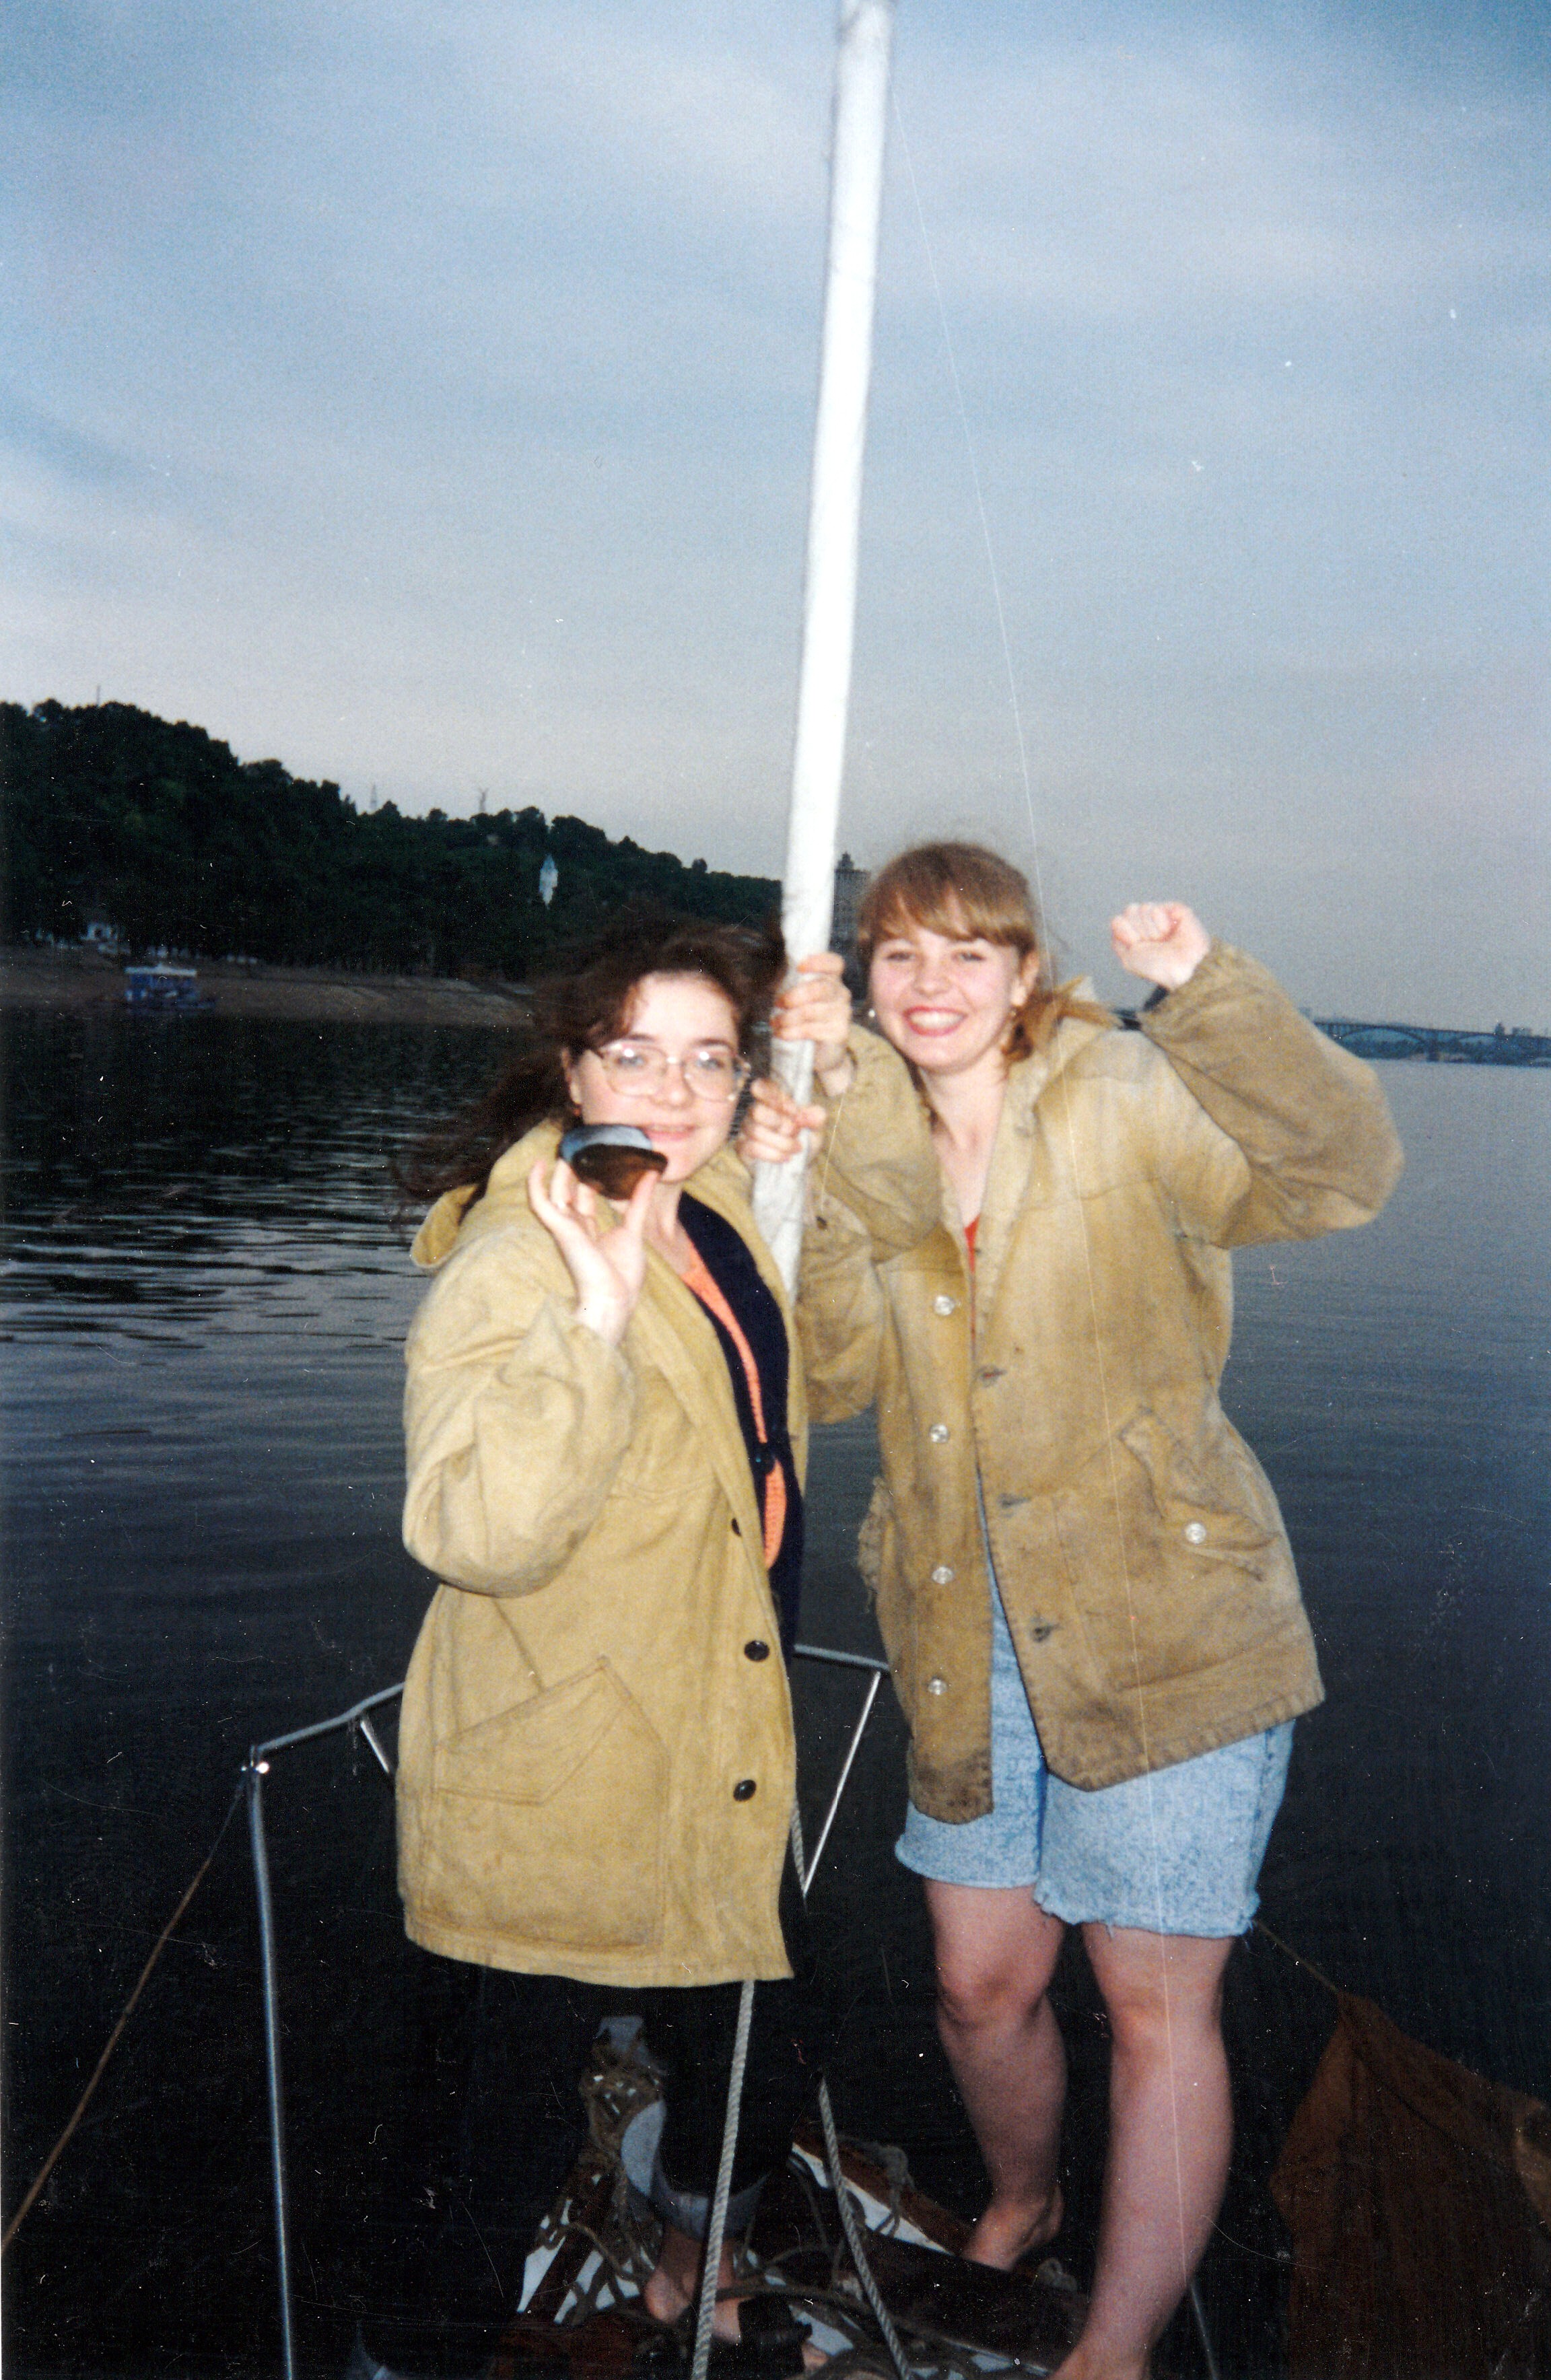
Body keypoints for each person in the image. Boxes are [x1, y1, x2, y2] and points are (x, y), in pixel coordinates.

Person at [745, 843, 1402, 2380]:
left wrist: (1207, 992)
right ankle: (1026, 2201)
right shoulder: (864, 1131)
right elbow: (825, 1378)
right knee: (981, 1989)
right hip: (959, 1627)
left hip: (1163, 1621)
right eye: (900, 955)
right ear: (866, 980)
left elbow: (1344, 1171)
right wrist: (801, 1185)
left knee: (1153, 2001)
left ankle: (1114, 2345)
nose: (933, 984)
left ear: (1026, 973)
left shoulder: (1122, 1092)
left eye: (969, 953)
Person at [361, 915, 823, 2379]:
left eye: (710, 1059)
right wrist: (598, 1323)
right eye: (635, 1054)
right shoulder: (522, 1261)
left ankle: (689, 2263)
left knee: (757, 2064)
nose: (675, 1091)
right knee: (481, 2151)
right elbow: (472, 1530)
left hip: (706, 1747)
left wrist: (822, 1092)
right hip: (557, 1774)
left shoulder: (709, 1208)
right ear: (573, 1069)